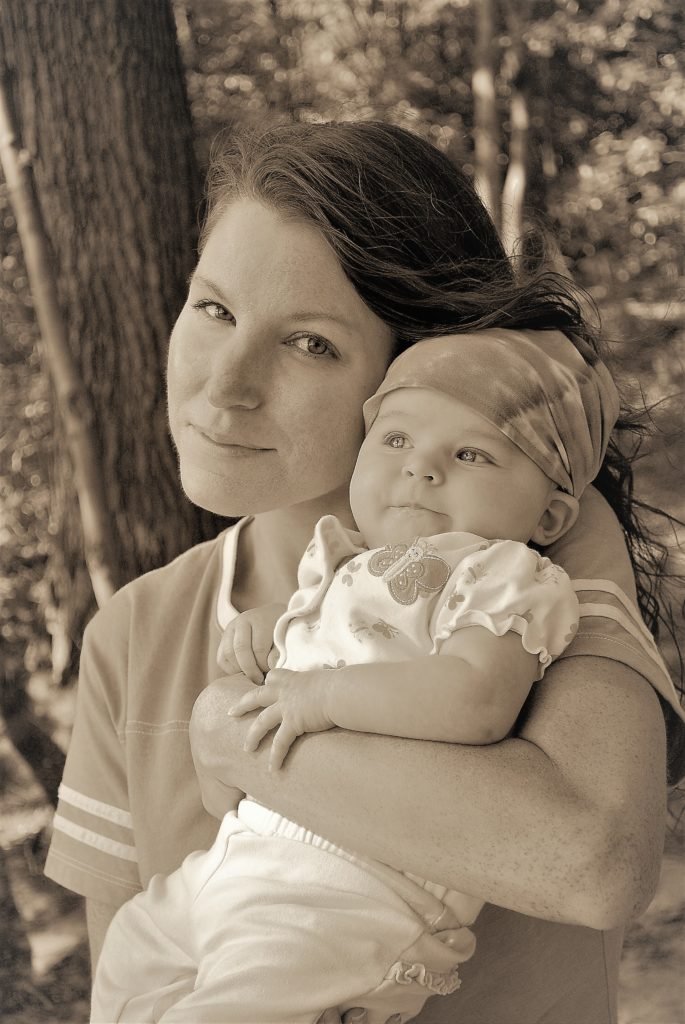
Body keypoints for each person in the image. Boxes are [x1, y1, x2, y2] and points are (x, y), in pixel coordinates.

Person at [45, 121, 685, 1024]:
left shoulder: (539, 555)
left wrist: (241, 741)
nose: (225, 384)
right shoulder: (136, 630)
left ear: (419, 364)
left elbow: (591, 863)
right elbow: (128, 980)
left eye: (311, 344)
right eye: (215, 310)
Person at [90, 326, 622, 1023]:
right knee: (128, 965)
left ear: (549, 514)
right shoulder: (342, 563)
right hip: (244, 861)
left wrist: (321, 697)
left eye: (470, 454)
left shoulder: (502, 573)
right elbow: (340, 637)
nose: (421, 469)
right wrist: (271, 629)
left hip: (356, 891)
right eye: (396, 440)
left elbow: (475, 698)